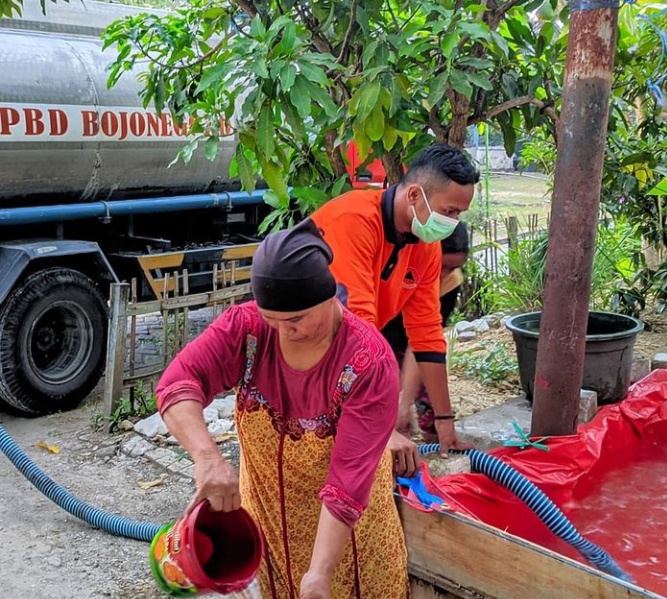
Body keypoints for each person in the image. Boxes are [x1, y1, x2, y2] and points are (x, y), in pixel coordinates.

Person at [155, 221, 408, 599]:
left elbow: (347, 486)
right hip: (268, 524)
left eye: (295, 320)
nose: (282, 332)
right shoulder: (248, 329)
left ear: (328, 297)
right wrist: (207, 456)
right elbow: (176, 383)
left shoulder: (368, 362)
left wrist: (319, 574)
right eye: (271, 318)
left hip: (346, 539)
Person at [309, 143, 479, 472]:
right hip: (305, 350)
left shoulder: (425, 246)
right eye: (450, 212)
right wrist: (382, 428)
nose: (454, 223)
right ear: (415, 194)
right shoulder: (354, 221)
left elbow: (427, 333)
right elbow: (358, 331)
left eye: (459, 214)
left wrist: (446, 424)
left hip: (340, 354)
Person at [382, 222, 470, 442]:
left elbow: (423, 343)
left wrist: (406, 400)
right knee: (383, 402)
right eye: (441, 266)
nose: (443, 275)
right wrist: (398, 400)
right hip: (380, 332)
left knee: (429, 396)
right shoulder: (395, 267)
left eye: (452, 267)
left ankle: (434, 444)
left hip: (416, 339)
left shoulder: (450, 281)